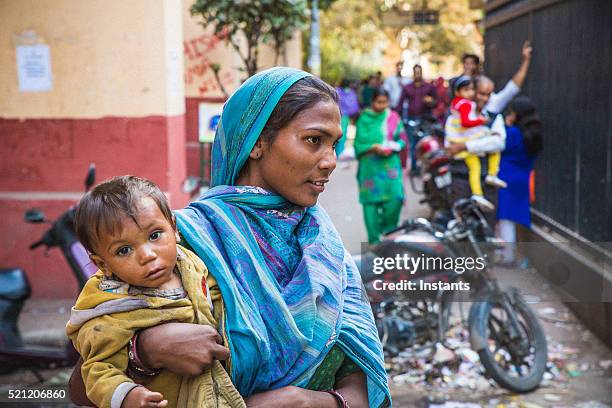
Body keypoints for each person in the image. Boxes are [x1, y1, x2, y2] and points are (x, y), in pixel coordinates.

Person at [70, 67, 391, 408]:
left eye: (334, 144)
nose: (330, 161)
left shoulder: (325, 249)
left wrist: (310, 402)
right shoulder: (175, 242)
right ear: (257, 143)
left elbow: (361, 384)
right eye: (314, 140)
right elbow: (81, 388)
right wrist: (146, 351)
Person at [67, 176, 243, 408]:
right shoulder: (110, 309)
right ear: (103, 264)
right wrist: (126, 396)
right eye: (124, 250)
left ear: (174, 229)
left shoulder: (195, 265)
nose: (147, 255)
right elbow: (97, 369)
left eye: (154, 235)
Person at [445, 76, 506, 211]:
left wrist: (465, 146)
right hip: (461, 180)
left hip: (486, 185)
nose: (484, 99)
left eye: (488, 95)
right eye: (481, 93)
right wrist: (484, 142)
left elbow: (498, 143)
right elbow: (450, 146)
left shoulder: (494, 118)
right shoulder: (455, 116)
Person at [354, 88, 406, 244]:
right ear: (372, 102)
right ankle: (375, 241)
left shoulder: (393, 117)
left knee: (395, 199)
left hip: (390, 167)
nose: (382, 105)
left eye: (385, 102)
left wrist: (395, 146)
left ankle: (389, 233)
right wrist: (373, 147)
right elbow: (358, 144)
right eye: (379, 102)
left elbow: (402, 138)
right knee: (370, 204)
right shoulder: (364, 119)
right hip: (370, 168)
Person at [497, 96, 543, 264]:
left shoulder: (512, 133)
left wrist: (506, 126)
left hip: (506, 178)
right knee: (521, 216)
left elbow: (499, 146)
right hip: (523, 178)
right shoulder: (534, 135)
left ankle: (507, 257)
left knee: (506, 217)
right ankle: (525, 256)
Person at [398, 64, 438, 174]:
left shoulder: (429, 87)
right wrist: (399, 118)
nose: (417, 74)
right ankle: (414, 168)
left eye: (419, 72)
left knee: (425, 143)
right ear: (413, 73)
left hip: (425, 119)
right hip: (411, 119)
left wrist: (430, 102)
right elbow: (400, 104)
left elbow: (436, 102)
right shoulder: (407, 88)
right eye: (415, 72)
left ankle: (427, 169)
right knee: (412, 145)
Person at [335, 78, 360, 157]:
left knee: (333, 135)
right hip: (344, 118)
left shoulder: (336, 91)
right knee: (342, 136)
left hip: (334, 116)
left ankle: (334, 153)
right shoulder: (351, 93)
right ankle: (338, 154)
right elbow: (354, 107)